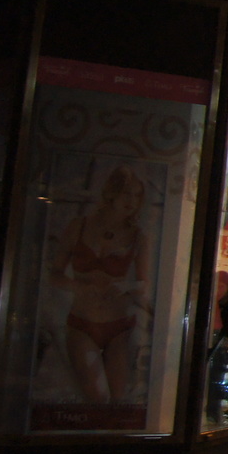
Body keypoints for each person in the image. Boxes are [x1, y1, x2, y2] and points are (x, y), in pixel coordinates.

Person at [52, 165, 150, 406]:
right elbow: (53, 273)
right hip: (82, 323)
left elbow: (142, 284)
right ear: (112, 192)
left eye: (137, 195)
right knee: (96, 398)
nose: (132, 201)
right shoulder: (79, 226)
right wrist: (78, 287)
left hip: (120, 325)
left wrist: (124, 285)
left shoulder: (138, 237)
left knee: (117, 400)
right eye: (127, 193)